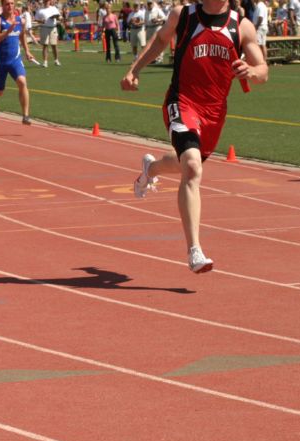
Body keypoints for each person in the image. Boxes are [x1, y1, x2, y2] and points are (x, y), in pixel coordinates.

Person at [120, 0, 268, 273]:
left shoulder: (241, 25)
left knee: (185, 164)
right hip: (182, 101)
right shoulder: (184, 15)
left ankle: (150, 168)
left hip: (214, 113)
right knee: (191, 165)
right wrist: (134, 70)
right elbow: (159, 41)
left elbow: (263, 71)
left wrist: (252, 71)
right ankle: (194, 250)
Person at [0, 0, 35, 124]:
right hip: (1, 62)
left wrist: (27, 51)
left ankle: (25, 116)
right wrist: (8, 31)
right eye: (7, 4)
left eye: (12, 3)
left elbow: (22, 36)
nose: (10, 6)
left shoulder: (20, 20)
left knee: (22, 82)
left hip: (15, 59)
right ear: (2, 5)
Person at [35, 0, 62, 67]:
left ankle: (56, 60)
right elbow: (36, 19)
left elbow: (59, 17)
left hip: (53, 28)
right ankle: (45, 62)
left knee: (54, 45)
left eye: (47, 1)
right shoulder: (40, 10)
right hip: (44, 27)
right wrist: (41, 21)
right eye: (45, 1)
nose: (46, 2)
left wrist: (58, 17)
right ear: (43, 2)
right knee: (45, 45)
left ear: (49, 1)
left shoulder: (54, 8)